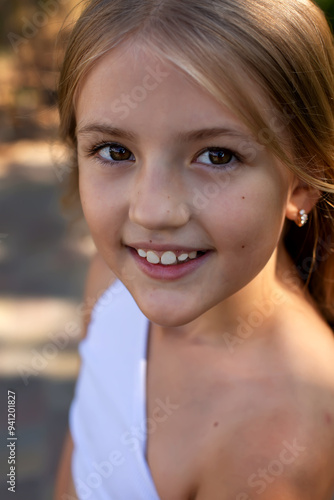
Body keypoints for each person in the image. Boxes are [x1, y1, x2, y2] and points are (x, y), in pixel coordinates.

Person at [54, 0, 334, 498]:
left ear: (303, 179)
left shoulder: (280, 441)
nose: (153, 212)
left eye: (217, 155)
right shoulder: (112, 280)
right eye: (115, 151)